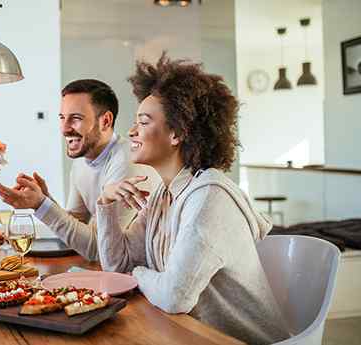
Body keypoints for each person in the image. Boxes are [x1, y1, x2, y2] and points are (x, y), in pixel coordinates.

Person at [95, 54, 290, 345]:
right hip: (188, 335)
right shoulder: (165, 192)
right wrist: (106, 202)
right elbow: (116, 268)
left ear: (177, 133)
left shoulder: (209, 198)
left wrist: (138, 273)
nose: (131, 131)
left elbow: (174, 297)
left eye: (143, 121)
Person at [0, 79, 159, 260]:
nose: (64, 129)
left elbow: (100, 249)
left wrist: (41, 205)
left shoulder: (127, 160)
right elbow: (77, 225)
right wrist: (47, 200)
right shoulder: (81, 162)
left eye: (76, 118)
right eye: (62, 118)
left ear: (105, 121)